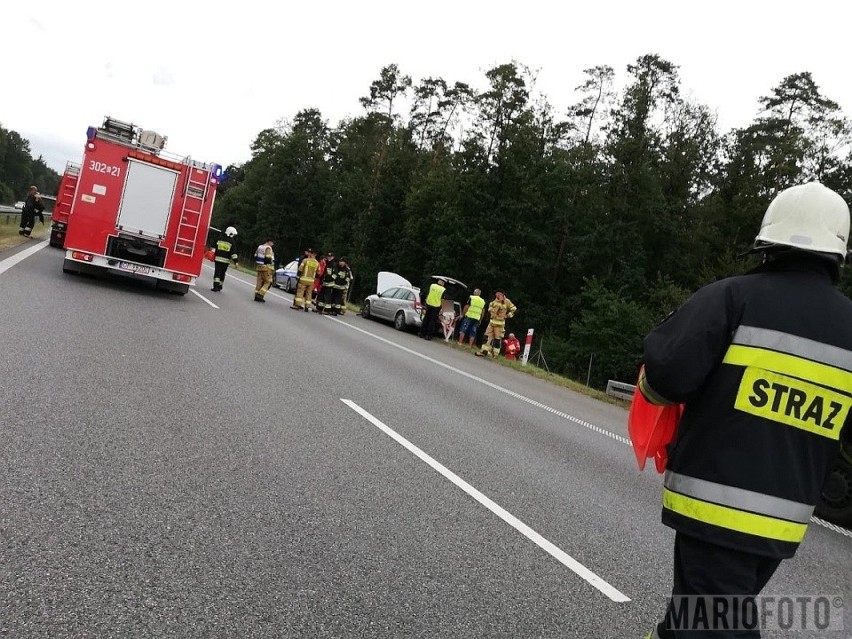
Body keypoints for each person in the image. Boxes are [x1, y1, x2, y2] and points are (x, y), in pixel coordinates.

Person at [639, 183, 852, 639]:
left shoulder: (734, 298)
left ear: (770, 239)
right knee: (702, 616)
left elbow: (666, 377)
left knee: (713, 625)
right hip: (785, 520)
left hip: (714, 504)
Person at [475, 290, 517, 357]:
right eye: (496, 293)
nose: (496, 294)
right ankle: (483, 351)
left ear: (502, 294)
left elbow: (514, 309)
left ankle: (495, 354)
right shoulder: (494, 301)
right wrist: (491, 310)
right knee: (486, 337)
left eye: (498, 293)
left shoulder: (507, 301)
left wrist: (507, 315)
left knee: (497, 339)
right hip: (491, 323)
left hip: (499, 324)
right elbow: (490, 307)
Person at [211, 226, 239, 292]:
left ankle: (215, 287)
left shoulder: (219, 239)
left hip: (218, 259)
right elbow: (233, 253)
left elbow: (213, 247)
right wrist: (236, 262)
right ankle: (220, 286)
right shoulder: (231, 242)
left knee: (217, 273)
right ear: (230, 233)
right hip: (226, 261)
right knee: (223, 273)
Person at [253, 238, 275, 302]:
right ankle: (260, 294)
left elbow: (255, 255)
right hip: (266, 267)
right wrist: (269, 264)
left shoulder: (260, 247)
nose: (273, 244)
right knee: (268, 282)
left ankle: (256, 295)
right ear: (269, 242)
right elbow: (268, 258)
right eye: (272, 243)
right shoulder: (268, 248)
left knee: (259, 282)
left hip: (259, 266)